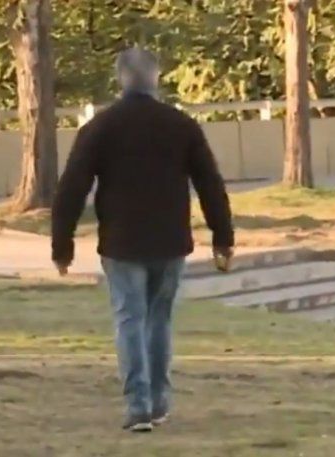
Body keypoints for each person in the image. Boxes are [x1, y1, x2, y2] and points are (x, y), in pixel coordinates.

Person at [51, 48, 234, 433]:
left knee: (129, 319)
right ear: (157, 78)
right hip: (170, 241)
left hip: (121, 242)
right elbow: (210, 184)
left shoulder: (101, 127)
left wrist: (62, 245)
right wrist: (222, 236)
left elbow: (72, 188)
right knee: (159, 320)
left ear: (120, 80)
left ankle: (138, 406)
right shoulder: (181, 125)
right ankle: (160, 403)